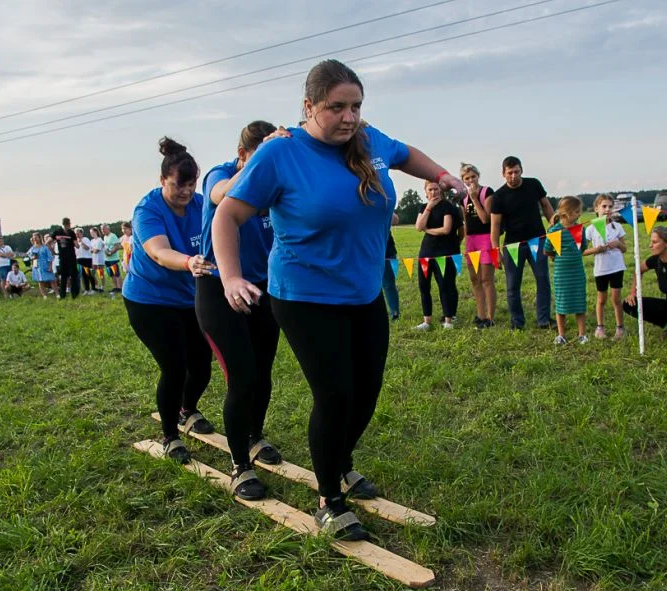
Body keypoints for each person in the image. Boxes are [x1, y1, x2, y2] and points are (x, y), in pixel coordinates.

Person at [211, 59, 466, 540]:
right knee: (335, 393)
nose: (349, 117)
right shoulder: (279, 154)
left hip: (363, 291)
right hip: (305, 295)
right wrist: (229, 277)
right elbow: (226, 215)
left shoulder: (366, 140)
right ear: (308, 107)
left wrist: (444, 175)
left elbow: (406, 153)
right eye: (337, 107)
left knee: (366, 391)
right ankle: (330, 498)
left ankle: (340, 461)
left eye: (356, 106)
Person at [195, 120, 285, 501]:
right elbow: (223, 192)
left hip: (262, 288)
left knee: (262, 372)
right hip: (219, 287)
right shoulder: (221, 174)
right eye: (257, 159)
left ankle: (253, 435)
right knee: (242, 376)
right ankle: (240, 466)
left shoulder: (275, 183)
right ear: (242, 156)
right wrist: (264, 158)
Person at [123, 136, 217, 464]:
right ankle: (170, 436)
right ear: (162, 180)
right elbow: (159, 252)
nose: (186, 191)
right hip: (149, 300)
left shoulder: (201, 205)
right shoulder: (148, 209)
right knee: (174, 367)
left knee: (202, 366)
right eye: (179, 185)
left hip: (188, 300)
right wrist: (189, 262)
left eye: (191, 184)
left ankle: (186, 410)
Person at [490, 156, 555, 330]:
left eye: (516, 172)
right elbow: (495, 226)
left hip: (539, 240)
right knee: (512, 286)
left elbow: (546, 206)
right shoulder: (498, 196)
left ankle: (544, 319)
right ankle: (517, 322)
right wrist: (496, 250)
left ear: (522, 170)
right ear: (503, 174)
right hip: (512, 246)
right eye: (509, 173)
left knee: (542, 280)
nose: (513, 176)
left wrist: (554, 226)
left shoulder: (534, 184)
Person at [414, 180, 461, 330]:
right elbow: (418, 227)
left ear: (440, 191)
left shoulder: (448, 207)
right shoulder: (423, 207)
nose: (433, 192)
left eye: (436, 189)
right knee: (424, 287)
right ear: (426, 192)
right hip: (426, 253)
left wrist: (428, 230)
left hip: (444, 254)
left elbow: (446, 229)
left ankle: (448, 320)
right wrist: (429, 208)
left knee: (445, 286)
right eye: (430, 190)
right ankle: (427, 321)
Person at [583, 194, 627, 339]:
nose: (607, 209)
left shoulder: (618, 227)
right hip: (601, 269)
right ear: (596, 208)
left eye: (610, 206)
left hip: (617, 267)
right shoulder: (590, 229)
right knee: (601, 299)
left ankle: (620, 328)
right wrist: (596, 250)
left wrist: (618, 244)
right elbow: (582, 251)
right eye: (604, 206)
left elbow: (625, 248)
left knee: (616, 298)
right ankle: (600, 327)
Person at [544, 197, 588, 344]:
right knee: (561, 304)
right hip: (561, 274)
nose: (579, 214)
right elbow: (547, 250)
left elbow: (583, 248)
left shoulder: (581, 229)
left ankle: (582, 334)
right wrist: (555, 257)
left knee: (579, 303)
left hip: (577, 272)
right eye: (576, 212)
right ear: (566, 213)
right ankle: (561, 335)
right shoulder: (554, 231)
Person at [459, 163, 496, 328]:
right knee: (475, 280)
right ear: (463, 180)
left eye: (473, 176)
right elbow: (465, 221)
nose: (471, 180)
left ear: (478, 176)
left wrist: (474, 198)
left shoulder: (487, 192)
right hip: (471, 240)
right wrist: (463, 240)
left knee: (486, 279)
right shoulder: (462, 198)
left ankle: (490, 317)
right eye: (467, 178)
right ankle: (480, 315)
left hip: (485, 237)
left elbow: (485, 219)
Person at [51, 218, 80, 299]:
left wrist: (53, 251)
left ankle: (62, 294)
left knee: (63, 277)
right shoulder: (71, 232)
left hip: (62, 257)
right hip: (71, 257)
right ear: (69, 224)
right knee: (73, 276)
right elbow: (77, 245)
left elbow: (48, 242)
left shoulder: (57, 232)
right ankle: (74, 294)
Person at [381, 213, 400, 321]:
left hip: (386, 251)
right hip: (365, 250)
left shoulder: (382, 202)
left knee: (388, 284)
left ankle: (394, 313)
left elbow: (395, 220)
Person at [28, 233, 55, 298]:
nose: (35, 239)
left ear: (40, 238)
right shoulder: (32, 248)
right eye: (34, 238)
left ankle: (57, 294)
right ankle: (44, 296)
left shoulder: (44, 247)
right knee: (40, 281)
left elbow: (50, 257)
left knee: (51, 279)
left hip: (45, 264)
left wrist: (50, 266)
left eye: (36, 237)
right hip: (36, 265)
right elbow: (30, 256)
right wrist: (33, 257)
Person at [101, 224, 123, 296]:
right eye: (101, 229)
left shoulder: (113, 236)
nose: (102, 231)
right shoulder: (104, 237)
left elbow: (117, 246)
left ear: (108, 229)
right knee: (111, 274)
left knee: (116, 274)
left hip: (114, 258)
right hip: (107, 259)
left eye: (104, 229)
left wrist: (111, 252)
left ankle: (120, 288)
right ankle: (115, 287)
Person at [88, 226, 106, 293]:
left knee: (100, 273)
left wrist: (92, 250)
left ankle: (102, 286)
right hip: (93, 259)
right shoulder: (92, 241)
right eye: (90, 233)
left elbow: (96, 251)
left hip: (99, 259)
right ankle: (96, 285)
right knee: (92, 273)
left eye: (92, 232)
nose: (91, 234)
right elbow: (90, 250)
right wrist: (92, 250)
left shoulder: (99, 240)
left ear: (95, 232)